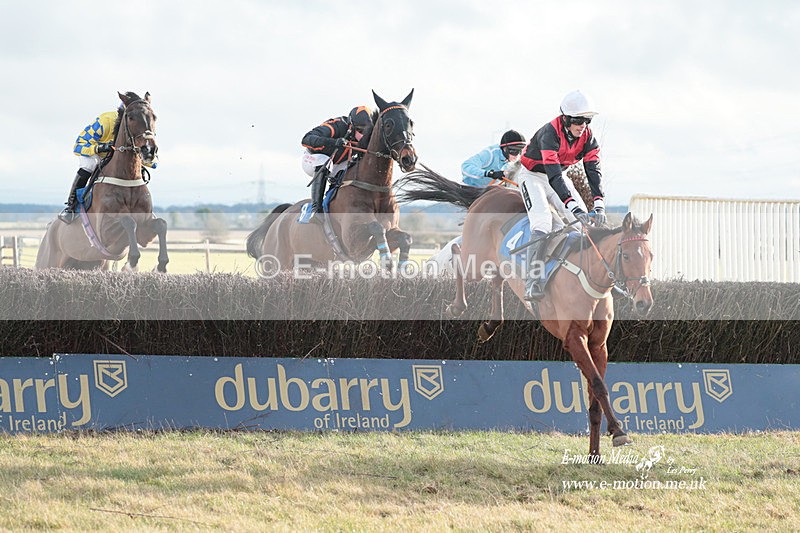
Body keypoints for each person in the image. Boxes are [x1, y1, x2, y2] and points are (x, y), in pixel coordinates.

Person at [516, 89, 607, 300]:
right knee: (542, 223)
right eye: (578, 120)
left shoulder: (588, 137)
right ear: (565, 119)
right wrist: (572, 206)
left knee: (584, 224)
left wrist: (599, 204)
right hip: (533, 176)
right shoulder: (550, 133)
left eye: (587, 120)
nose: (583, 125)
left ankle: (594, 277)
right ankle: (532, 282)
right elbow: (554, 175)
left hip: (558, 176)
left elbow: (593, 172)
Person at [59, 102, 158, 223]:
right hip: (96, 154)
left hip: (120, 157)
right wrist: (99, 148)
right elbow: (78, 146)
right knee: (89, 165)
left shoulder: (143, 126)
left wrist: (148, 158)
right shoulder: (105, 120)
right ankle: (71, 207)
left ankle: (144, 210)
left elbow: (153, 161)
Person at [301, 106, 374, 216]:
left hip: (337, 164)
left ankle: (332, 204)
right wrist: (333, 142)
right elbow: (306, 139)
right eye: (361, 131)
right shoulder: (336, 126)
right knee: (325, 161)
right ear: (351, 127)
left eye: (368, 132)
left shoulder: (366, 138)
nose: (364, 136)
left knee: (352, 169)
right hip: (312, 159)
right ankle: (316, 209)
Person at [461, 130, 526, 188]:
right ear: (505, 149)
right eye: (514, 151)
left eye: (520, 151)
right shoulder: (490, 154)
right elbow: (465, 166)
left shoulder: (510, 162)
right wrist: (490, 174)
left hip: (487, 191)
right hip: (469, 188)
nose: (518, 155)